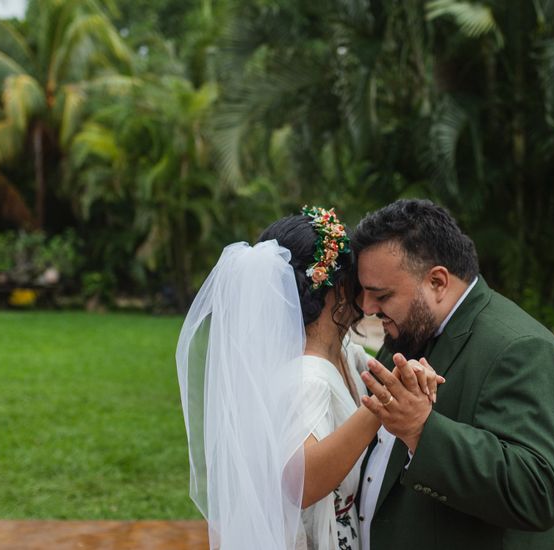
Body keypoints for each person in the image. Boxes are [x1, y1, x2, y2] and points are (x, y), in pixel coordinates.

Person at [175, 206, 442, 550]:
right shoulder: (308, 378)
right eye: (357, 280)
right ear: (337, 289)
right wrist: (383, 405)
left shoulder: (347, 356)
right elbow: (300, 483)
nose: (366, 293)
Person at [351, 199, 554, 550]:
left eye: (381, 295)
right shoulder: (407, 330)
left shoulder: (521, 348)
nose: (367, 308)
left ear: (438, 282)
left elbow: (540, 491)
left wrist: (422, 430)